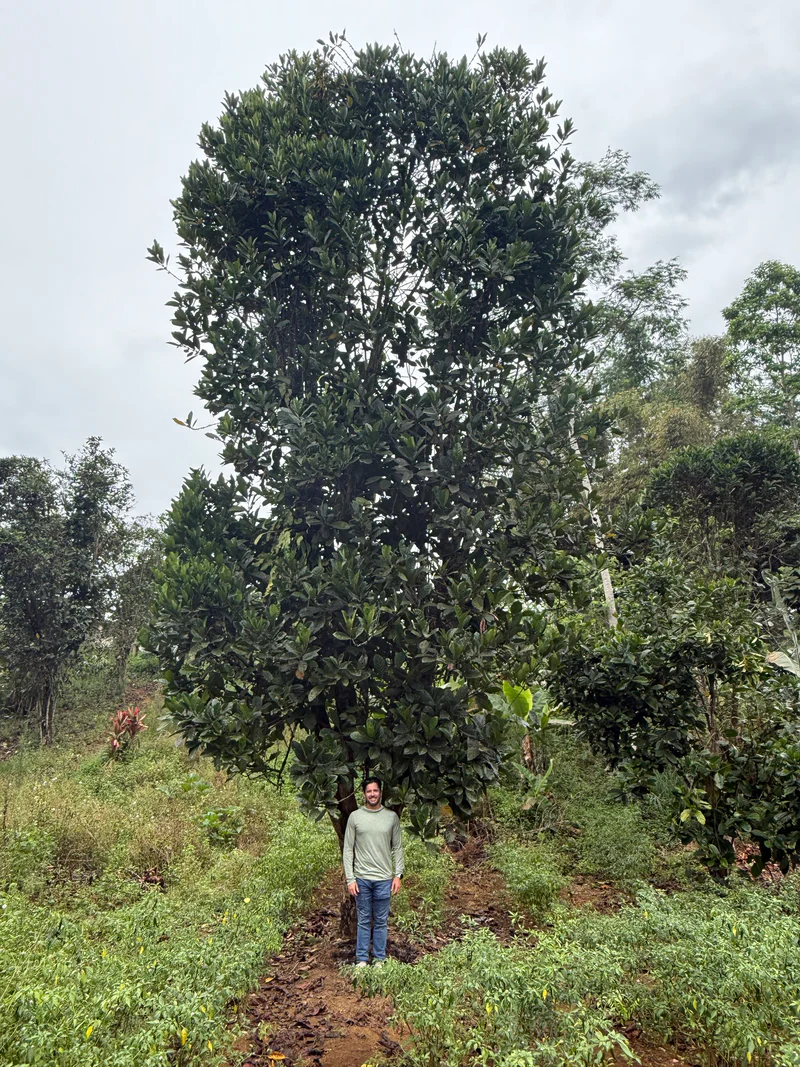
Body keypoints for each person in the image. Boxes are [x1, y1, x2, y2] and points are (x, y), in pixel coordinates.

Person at [342, 776, 405, 966]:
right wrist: (350, 879)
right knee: (363, 920)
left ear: (380, 792)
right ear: (364, 794)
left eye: (375, 790)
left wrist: (398, 875)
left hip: (384, 879)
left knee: (380, 921)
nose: (372, 794)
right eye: (369, 791)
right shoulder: (355, 817)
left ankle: (379, 959)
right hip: (361, 879)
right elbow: (348, 849)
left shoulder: (391, 817)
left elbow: (398, 847)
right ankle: (361, 959)